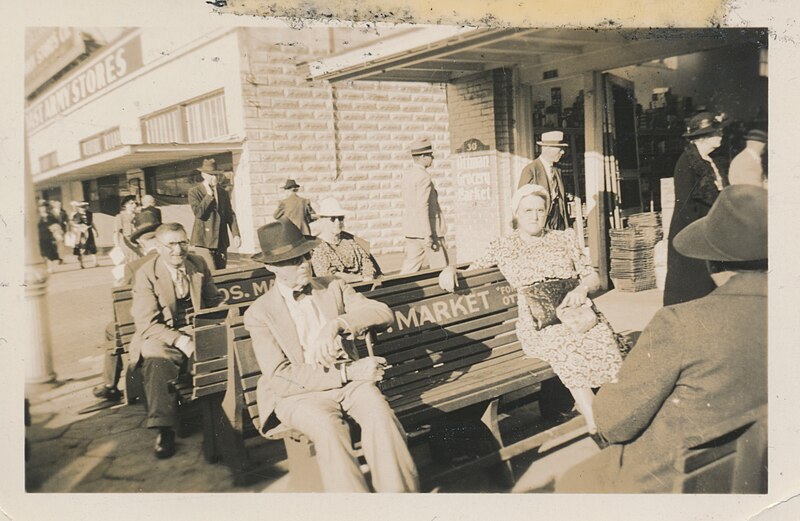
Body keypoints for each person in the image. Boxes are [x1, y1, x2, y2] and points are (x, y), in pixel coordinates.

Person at [557, 185, 767, 493]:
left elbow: (613, 422)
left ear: (712, 260)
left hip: (671, 478)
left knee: (572, 483)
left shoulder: (682, 323)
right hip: (752, 471)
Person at [244, 219, 419, 492]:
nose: (304, 263)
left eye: (305, 255)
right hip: (299, 394)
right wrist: (348, 372)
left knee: (381, 416)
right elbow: (280, 378)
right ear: (271, 267)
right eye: (293, 260)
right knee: (328, 430)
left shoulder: (333, 286)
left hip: (350, 385)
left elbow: (382, 312)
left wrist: (337, 324)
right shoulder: (260, 313)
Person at [439, 184, 623, 435]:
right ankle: (596, 421)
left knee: (603, 340)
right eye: (527, 210)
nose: (534, 216)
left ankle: (617, 410)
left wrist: (581, 289)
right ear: (516, 214)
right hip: (540, 324)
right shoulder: (503, 246)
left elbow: (593, 277)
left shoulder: (564, 238)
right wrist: (450, 270)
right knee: (566, 346)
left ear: (547, 212)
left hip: (577, 314)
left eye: (539, 210)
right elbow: (470, 270)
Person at [130, 222, 224, 458]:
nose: (178, 250)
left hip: (196, 329)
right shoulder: (146, 275)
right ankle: (164, 429)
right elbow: (147, 324)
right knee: (156, 357)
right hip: (161, 334)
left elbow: (212, 301)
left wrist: (222, 314)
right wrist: (181, 341)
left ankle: (225, 415)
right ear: (158, 247)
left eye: (183, 243)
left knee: (229, 344)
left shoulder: (198, 264)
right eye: (170, 244)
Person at [89, 210, 163, 408]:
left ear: (141, 242)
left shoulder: (133, 267)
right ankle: (109, 384)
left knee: (112, 329)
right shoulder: (188, 258)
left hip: (146, 330)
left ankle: (110, 384)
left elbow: (126, 309)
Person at [663, 111, 730, 306]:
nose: (721, 136)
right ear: (703, 137)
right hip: (691, 228)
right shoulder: (687, 162)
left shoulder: (711, 160)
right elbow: (685, 202)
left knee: (709, 280)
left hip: (710, 227)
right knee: (691, 281)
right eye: (716, 133)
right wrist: (702, 230)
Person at [400, 137, 450, 274]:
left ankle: (393, 292)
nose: (432, 158)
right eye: (430, 155)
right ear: (423, 157)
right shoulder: (424, 177)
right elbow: (423, 206)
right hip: (429, 231)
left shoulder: (407, 175)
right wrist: (428, 234)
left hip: (412, 231)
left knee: (409, 270)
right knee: (442, 269)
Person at [188, 158, 241, 270]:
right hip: (204, 241)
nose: (214, 178)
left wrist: (236, 234)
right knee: (211, 273)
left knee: (222, 273)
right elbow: (199, 213)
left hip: (221, 241)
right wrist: (208, 195)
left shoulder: (223, 192)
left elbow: (230, 214)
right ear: (203, 175)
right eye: (210, 175)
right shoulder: (194, 192)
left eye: (216, 175)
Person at [311, 197, 379, 282]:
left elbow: (365, 260)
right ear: (322, 220)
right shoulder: (317, 247)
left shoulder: (349, 241)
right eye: (332, 219)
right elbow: (326, 275)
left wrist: (368, 276)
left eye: (340, 218)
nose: (337, 222)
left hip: (364, 284)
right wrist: (360, 278)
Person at [518, 130, 571, 231]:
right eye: (560, 149)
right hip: (540, 221)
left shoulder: (557, 170)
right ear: (547, 149)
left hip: (557, 220)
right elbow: (522, 203)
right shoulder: (530, 170)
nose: (563, 152)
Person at [113, 195, 142, 263]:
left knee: (139, 260)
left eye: (135, 203)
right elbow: (116, 232)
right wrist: (117, 245)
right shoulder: (120, 216)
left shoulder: (139, 215)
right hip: (126, 243)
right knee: (129, 262)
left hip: (138, 242)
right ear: (125, 205)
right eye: (131, 203)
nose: (134, 205)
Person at [71, 201, 98, 269]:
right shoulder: (76, 215)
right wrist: (79, 227)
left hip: (89, 231)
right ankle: (81, 264)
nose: (83, 209)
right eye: (81, 207)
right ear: (78, 208)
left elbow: (91, 223)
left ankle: (95, 262)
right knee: (82, 248)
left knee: (92, 247)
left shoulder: (89, 214)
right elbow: (73, 224)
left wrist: (96, 231)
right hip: (81, 233)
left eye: (84, 207)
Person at [37, 204, 62, 271]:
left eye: (44, 207)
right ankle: (47, 267)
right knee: (43, 254)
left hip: (49, 237)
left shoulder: (50, 216)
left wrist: (54, 230)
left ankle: (50, 267)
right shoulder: (36, 217)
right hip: (39, 237)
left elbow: (56, 224)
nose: (42, 209)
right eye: (41, 207)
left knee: (48, 253)